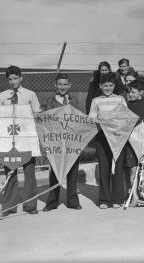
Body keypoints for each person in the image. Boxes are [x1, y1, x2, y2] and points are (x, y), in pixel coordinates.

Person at [0, 66, 41, 217]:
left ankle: (30, 205)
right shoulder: (2, 96)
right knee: (10, 172)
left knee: (30, 172)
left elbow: (37, 114)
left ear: (21, 78)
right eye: (10, 79)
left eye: (15, 78)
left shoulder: (30, 94)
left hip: (27, 139)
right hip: (9, 140)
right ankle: (9, 206)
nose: (13, 82)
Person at [42, 73, 82, 211]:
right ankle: (52, 202)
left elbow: (80, 119)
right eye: (60, 84)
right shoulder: (49, 100)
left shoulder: (74, 100)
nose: (62, 87)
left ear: (69, 85)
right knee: (55, 172)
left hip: (71, 142)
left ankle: (73, 201)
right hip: (56, 143)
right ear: (55, 85)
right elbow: (43, 119)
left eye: (65, 84)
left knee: (72, 171)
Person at [89, 72, 126, 209]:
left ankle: (117, 199)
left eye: (110, 85)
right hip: (102, 137)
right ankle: (104, 199)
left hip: (118, 137)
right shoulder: (95, 100)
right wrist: (98, 120)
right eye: (105, 86)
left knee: (118, 168)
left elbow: (126, 116)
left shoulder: (120, 99)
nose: (108, 88)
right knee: (104, 168)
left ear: (114, 86)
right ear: (100, 86)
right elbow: (91, 118)